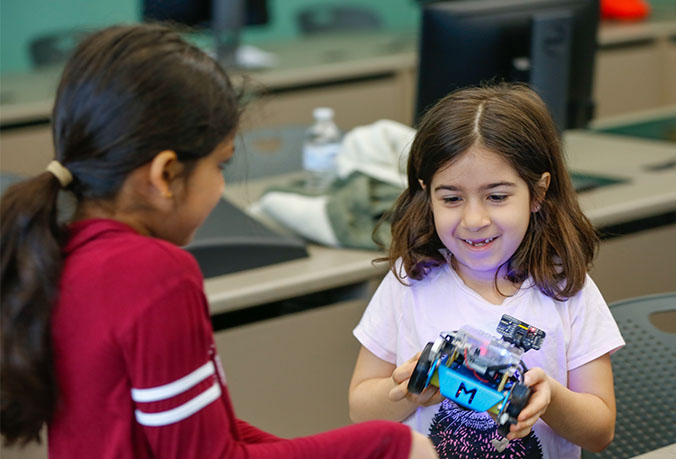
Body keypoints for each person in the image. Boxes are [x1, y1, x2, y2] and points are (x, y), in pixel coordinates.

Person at [0, 24, 436, 459]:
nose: (221, 186)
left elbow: (206, 431)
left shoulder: (64, 250)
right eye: (220, 166)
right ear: (165, 175)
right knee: (406, 445)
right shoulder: (155, 273)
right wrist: (388, 445)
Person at [348, 83, 625, 458]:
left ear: (538, 193)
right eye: (451, 198)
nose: (473, 220)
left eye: (497, 197)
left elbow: (600, 433)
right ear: (426, 193)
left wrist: (551, 400)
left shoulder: (564, 287)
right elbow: (360, 409)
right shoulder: (411, 279)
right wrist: (412, 391)